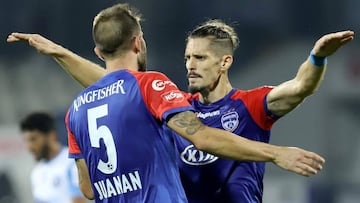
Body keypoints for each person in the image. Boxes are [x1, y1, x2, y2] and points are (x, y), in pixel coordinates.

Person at [8, 3, 326, 202]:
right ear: (137, 41)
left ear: (225, 62)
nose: (190, 64)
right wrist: (277, 154)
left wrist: (316, 58)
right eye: (188, 57)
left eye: (200, 57)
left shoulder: (250, 104)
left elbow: (299, 87)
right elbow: (124, 89)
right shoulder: (161, 95)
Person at [20, 112, 87, 203]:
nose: (29, 147)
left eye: (33, 139)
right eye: (26, 141)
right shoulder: (36, 172)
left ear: (51, 135)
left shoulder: (72, 162)